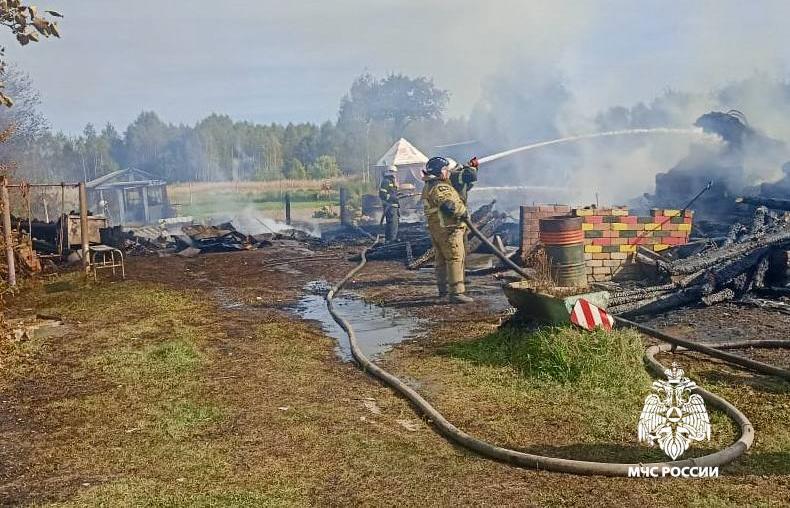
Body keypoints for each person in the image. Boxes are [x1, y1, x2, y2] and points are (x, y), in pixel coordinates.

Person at [421, 156, 473, 303]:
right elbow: (449, 206)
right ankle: (456, 293)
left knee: (442, 261)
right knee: (455, 258)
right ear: (440, 171)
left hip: (438, 230)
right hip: (449, 229)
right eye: (445, 170)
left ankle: (443, 292)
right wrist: (463, 212)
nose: (448, 172)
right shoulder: (440, 187)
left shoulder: (429, 186)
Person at [378, 165, 400, 242]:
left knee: (394, 224)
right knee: (392, 224)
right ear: (389, 172)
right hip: (390, 207)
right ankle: (390, 240)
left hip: (394, 206)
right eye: (393, 172)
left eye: (395, 172)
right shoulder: (386, 181)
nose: (394, 174)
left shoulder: (392, 181)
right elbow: (382, 195)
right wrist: (393, 198)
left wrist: (398, 195)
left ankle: (391, 240)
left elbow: (392, 193)